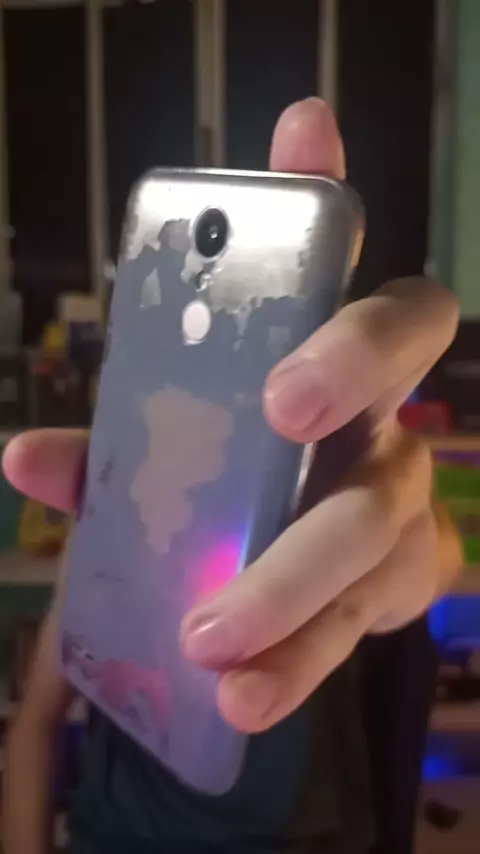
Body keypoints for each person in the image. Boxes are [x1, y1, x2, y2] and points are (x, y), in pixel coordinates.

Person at [2, 98, 462, 854]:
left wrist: (403, 545)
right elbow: (35, 728)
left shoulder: (309, 498)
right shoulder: (110, 519)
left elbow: (433, 555)